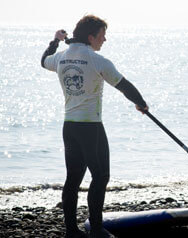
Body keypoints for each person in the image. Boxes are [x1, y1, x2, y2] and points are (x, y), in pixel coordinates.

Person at [41, 15, 148, 238]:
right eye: (102, 35)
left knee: (73, 178)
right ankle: (97, 229)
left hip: (69, 127)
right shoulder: (98, 60)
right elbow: (124, 86)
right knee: (100, 176)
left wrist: (55, 41)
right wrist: (141, 103)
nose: (104, 40)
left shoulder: (61, 57)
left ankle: (71, 231)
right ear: (91, 37)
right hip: (91, 128)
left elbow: (44, 60)